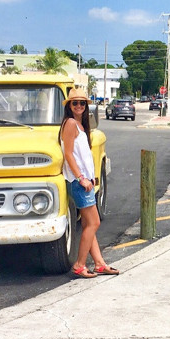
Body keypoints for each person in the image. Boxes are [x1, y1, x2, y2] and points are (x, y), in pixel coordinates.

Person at [59, 87, 119, 278]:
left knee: (88, 224)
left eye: (82, 103)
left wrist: (90, 177)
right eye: (75, 103)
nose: (79, 106)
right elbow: (68, 154)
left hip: (86, 181)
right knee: (94, 223)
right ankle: (79, 264)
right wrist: (81, 178)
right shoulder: (70, 124)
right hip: (78, 183)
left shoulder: (80, 125)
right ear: (69, 106)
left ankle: (99, 264)